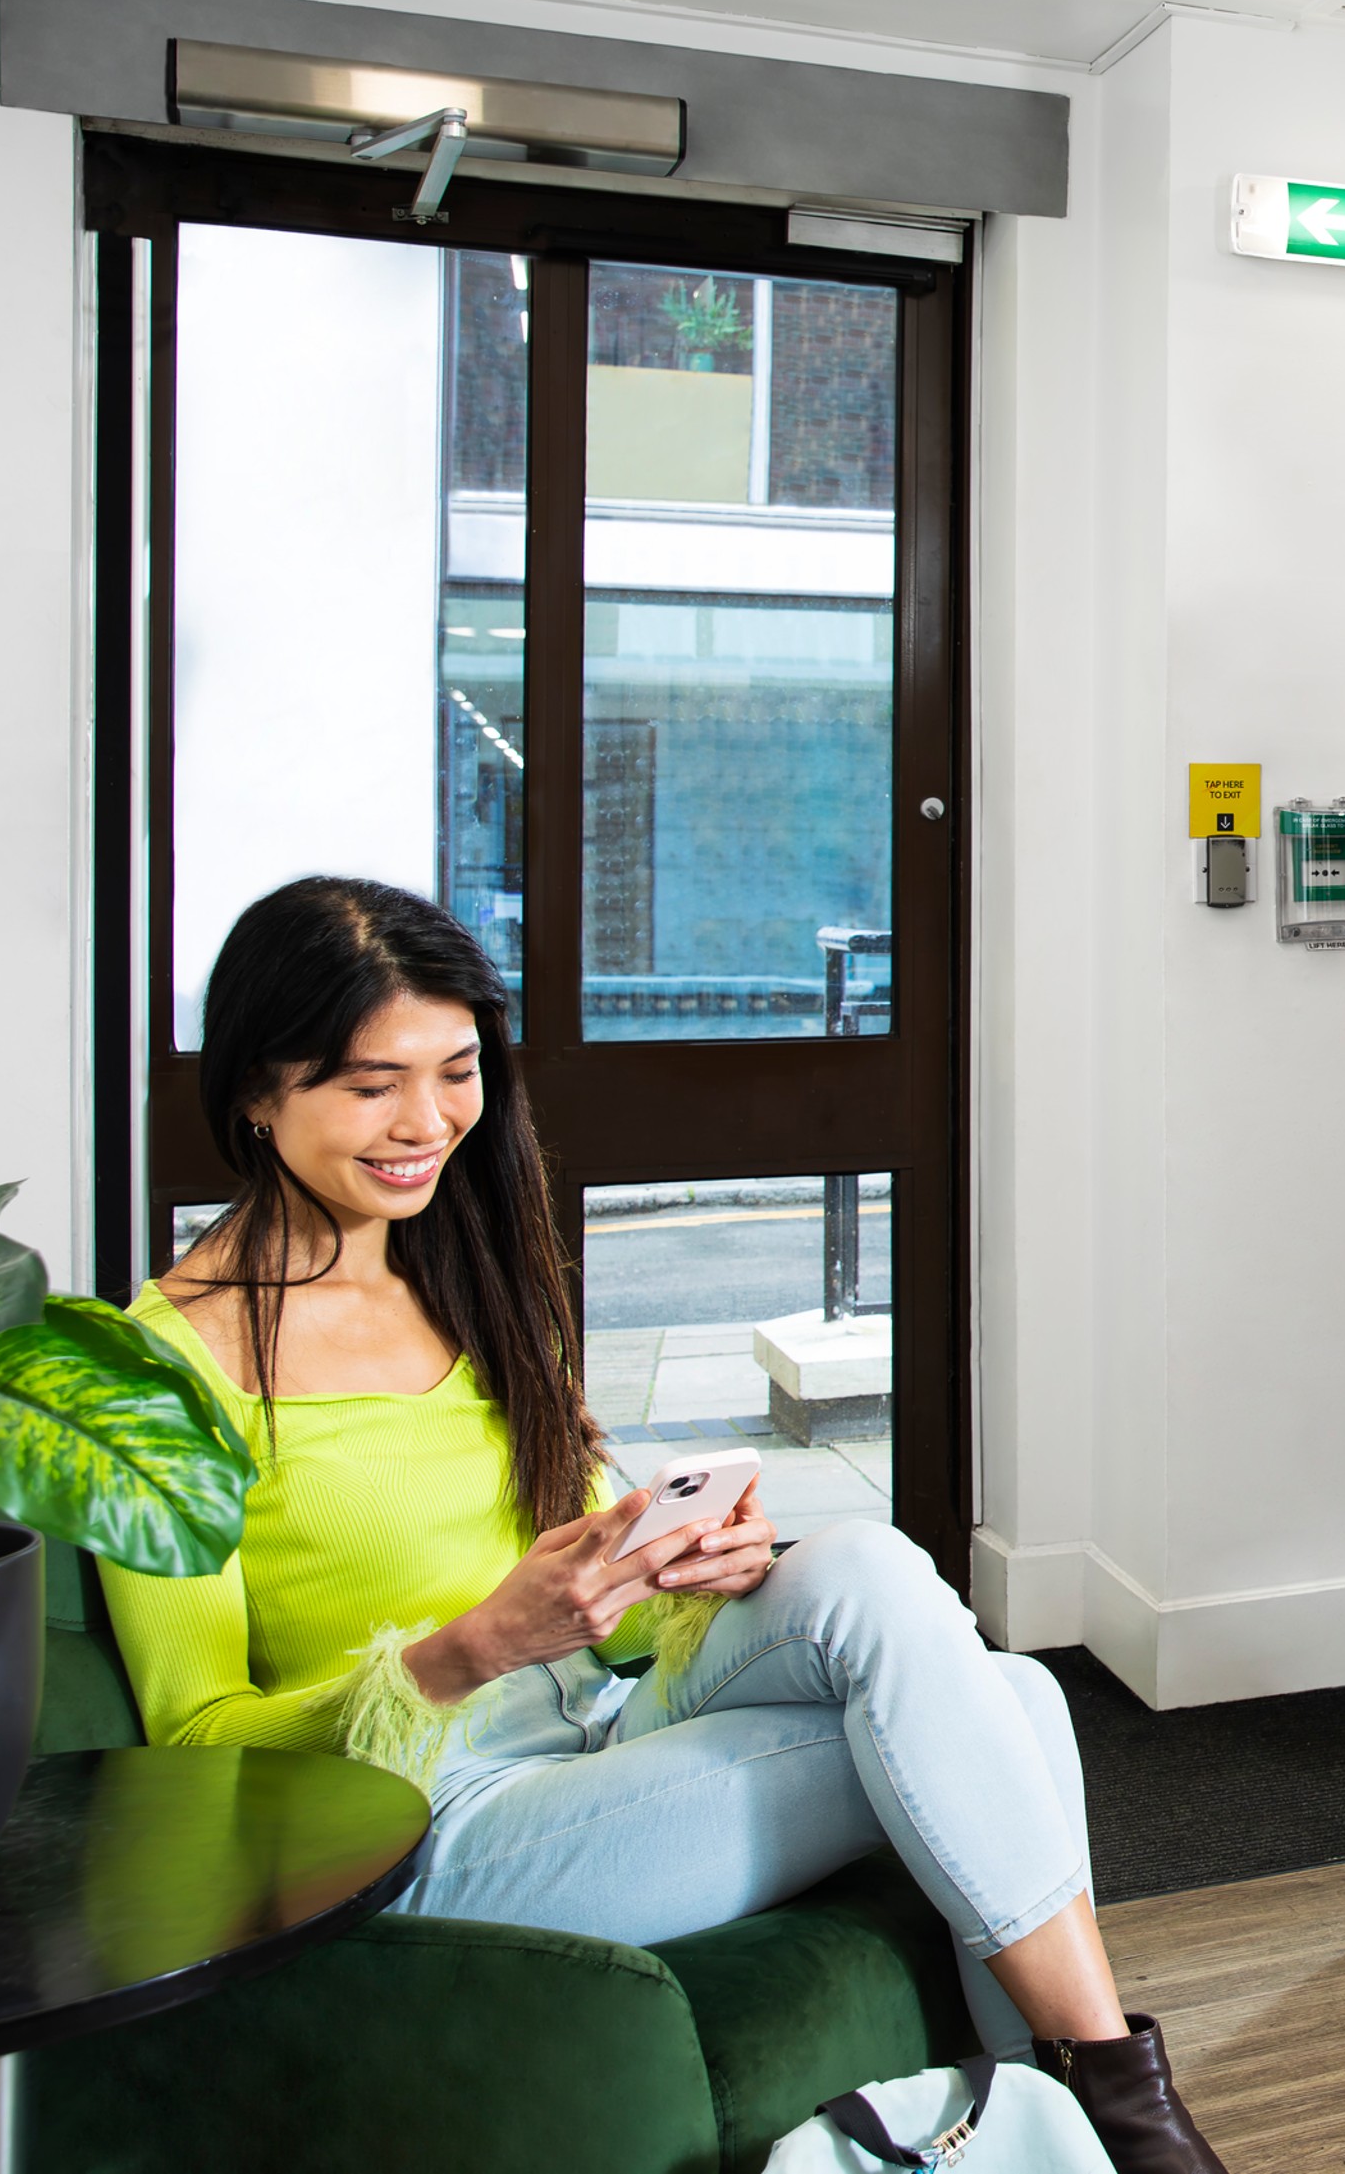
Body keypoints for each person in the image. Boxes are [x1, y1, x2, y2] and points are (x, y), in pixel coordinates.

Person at [101, 877, 1227, 2174]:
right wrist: (470, 1648)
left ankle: (1080, 2134)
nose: (426, 1122)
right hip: (419, 1823)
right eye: (370, 1084)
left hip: (593, 1726)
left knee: (858, 1562)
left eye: (456, 1071)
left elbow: (592, 1561)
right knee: (1013, 1707)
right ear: (256, 1088)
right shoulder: (159, 1373)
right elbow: (195, 1753)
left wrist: (690, 1560)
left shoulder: (456, 1275)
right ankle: (1124, 2129)